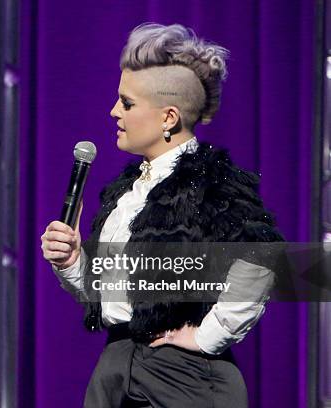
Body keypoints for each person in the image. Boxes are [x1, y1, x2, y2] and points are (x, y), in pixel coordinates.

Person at [41, 23, 283, 407]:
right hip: (117, 367)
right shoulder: (126, 190)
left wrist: (208, 336)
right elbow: (106, 294)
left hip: (185, 377)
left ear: (168, 118)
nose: (114, 111)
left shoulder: (213, 181)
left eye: (127, 103)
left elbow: (262, 258)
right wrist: (73, 261)